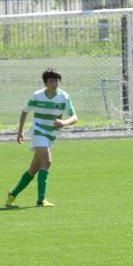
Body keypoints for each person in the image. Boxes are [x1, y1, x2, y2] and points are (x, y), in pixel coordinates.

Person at [5, 68, 78, 207]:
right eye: (51, 81)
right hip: (38, 132)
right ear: (46, 83)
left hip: (51, 135)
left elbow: (74, 116)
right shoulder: (37, 96)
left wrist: (64, 122)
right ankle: (41, 200)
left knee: (33, 170)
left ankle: (13, 194)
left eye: (56, 81)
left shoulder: (64, 96)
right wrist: (20, 132)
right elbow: (24, 112)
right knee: (48, 161)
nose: (54, 83)